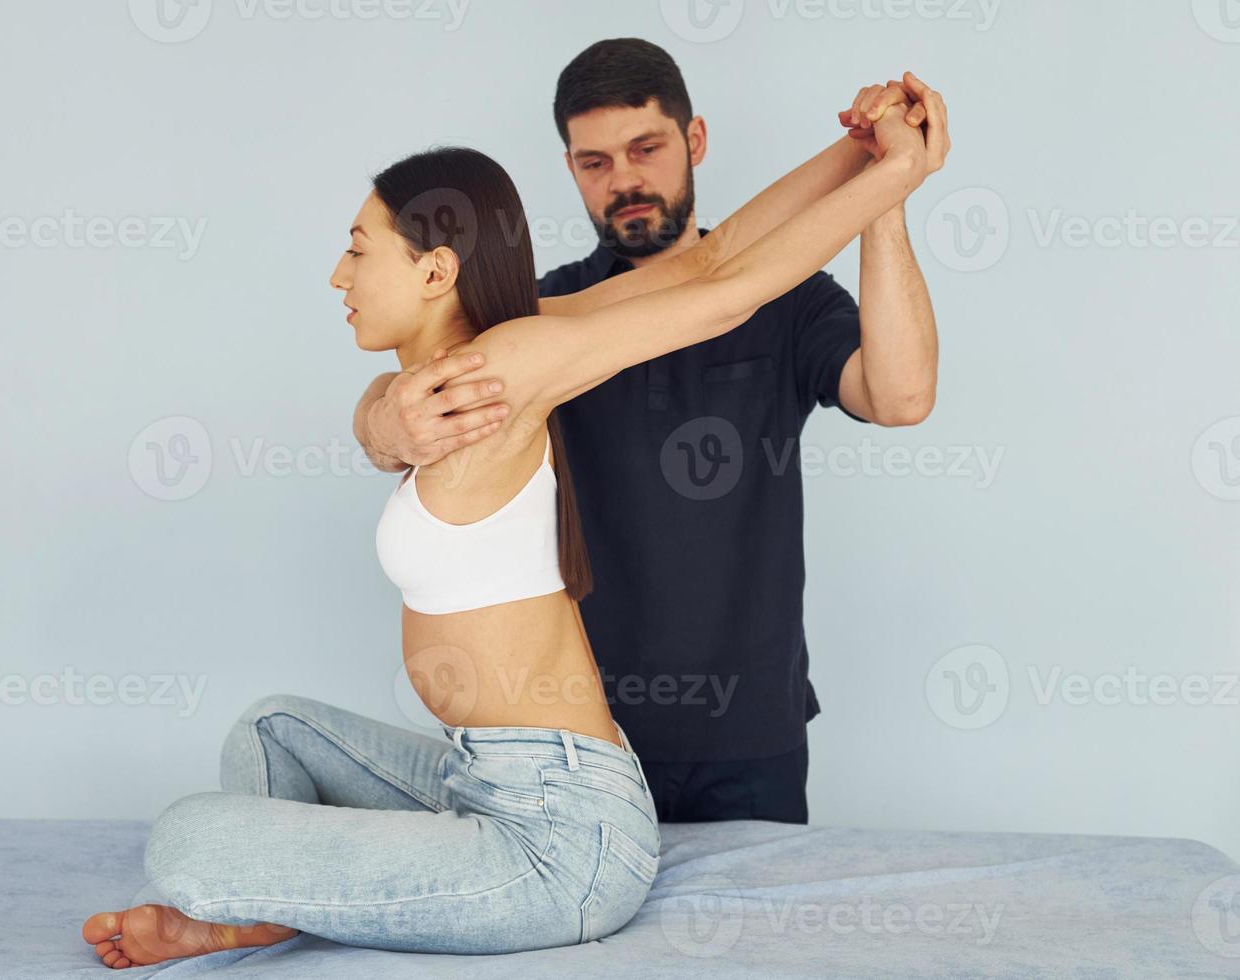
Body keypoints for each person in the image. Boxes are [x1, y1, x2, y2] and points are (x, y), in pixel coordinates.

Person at [79, 84, 933, 967]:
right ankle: (270, 902)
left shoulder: (509, 363)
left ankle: (254, 901)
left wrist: (897, 169)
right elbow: (696, 272)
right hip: (478, 779)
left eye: (355, 250)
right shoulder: (483, 354)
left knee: (186, 841)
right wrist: (858, 148)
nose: (339, 276)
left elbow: (724, 288)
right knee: (271, 730)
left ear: (435, 271)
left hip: (560, 840)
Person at [354, 38, 948, 825]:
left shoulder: (777, 301)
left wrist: (873, 162)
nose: (625, 178)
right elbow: (725, 285)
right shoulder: (543, 315)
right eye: (595, 161)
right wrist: (382, 416)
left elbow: (730, 274)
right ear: (569, 168)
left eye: (646, 148)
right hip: (585, 735)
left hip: (746, 735)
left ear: (692, 141)